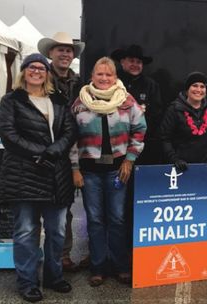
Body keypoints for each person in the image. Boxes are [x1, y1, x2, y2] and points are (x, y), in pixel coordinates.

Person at [0, 53, 77, 302]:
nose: (36, 71)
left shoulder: (59, 100)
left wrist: (54, 151)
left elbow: (70, 130)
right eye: (31, 67)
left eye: (41, 68)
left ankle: (54, 277)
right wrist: (41, 153)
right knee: (25, 232)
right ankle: (28, 282)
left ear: (47, 73)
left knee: (56, 231)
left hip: (56, 176)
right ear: (24, 72)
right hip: (25, 175)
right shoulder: (11, 101)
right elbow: (9, 134)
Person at [70, 57, 146, 287]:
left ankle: (120, 265)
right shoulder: (80, 103)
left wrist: (130, 160)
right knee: (94, 219)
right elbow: (71, 138)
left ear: (115, 77)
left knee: (117, 218)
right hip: (89, 171)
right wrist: (74, 168)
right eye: (99, 74)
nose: (104, 78)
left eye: (109, 74)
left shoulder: (127, 100)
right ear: (92, 76)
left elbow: (140, 130)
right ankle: (98, 266)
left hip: (117, 170)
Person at [38, 31, 87, 272]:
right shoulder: (40, 78)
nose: (65, 53)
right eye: (61, 49)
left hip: (74, 149)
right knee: (41, 207)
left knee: (64, 207)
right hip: (47, 150)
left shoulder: (80, 83)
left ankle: (63, 255)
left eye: (69, 50)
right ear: (51, 53)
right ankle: (45, 256)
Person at [111, 44, 164, 164]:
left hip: (142, 147)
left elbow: (156, 115)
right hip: (115, 145)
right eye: (131, 61)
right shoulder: (112, 82)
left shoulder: (151, 86)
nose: (135, 65)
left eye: (138, 62)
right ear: (122, 62)